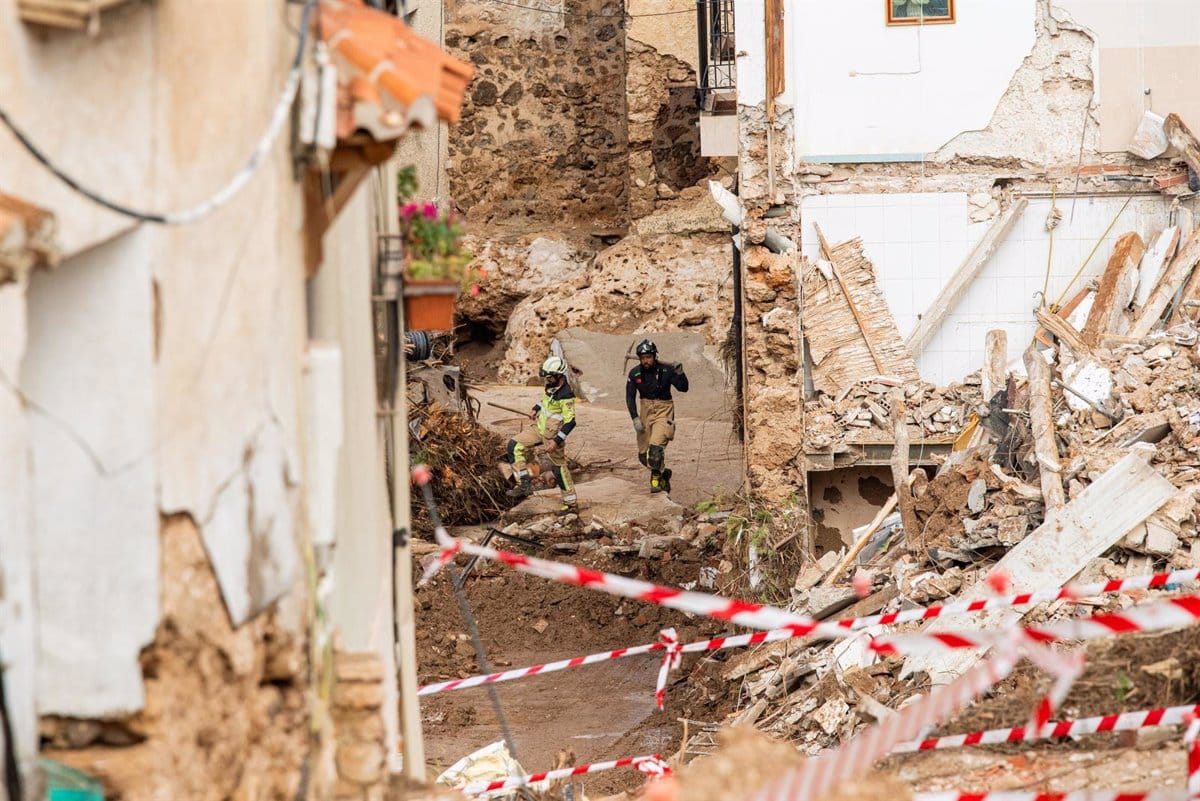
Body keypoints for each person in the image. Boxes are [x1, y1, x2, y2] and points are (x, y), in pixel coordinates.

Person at [505, 355, 578, 513]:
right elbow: (544, 401)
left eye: (550, 377)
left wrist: (557, 441)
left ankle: (571, 504)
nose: (547, 380)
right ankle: (524, 484)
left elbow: (571, 422)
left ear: (559, 376)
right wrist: (535, 409)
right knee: (514, 445)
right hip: (539, 428)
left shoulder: (566, 396)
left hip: (553, 436)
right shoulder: (551, 387)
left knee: (559, 469)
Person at [626, 339, 688, 494]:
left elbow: (683, 388)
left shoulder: (666, 370)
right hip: (645, 410)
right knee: (643, 456)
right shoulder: (635, 373)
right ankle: (663, 473)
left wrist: (680, 373)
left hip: (663, 409)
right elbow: (630, 397)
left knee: (655, 450)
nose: (646, 360)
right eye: (643, 357)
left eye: (648, 357)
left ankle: (655, 480)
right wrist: (635, 417)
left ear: (654, 356)